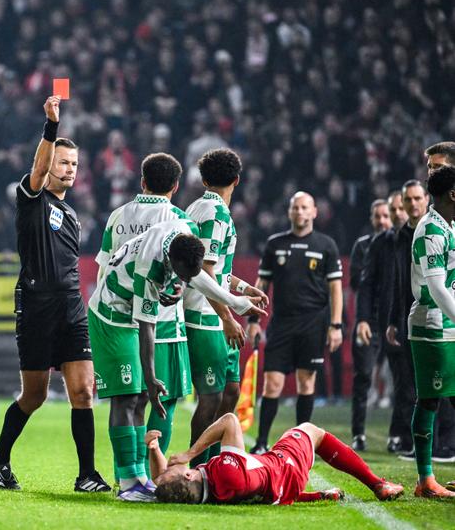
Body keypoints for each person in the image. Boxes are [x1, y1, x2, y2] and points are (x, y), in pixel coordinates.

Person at [88, 222, 266, 501]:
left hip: (130, 317)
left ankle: (139, 478)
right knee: (128, 396)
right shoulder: (150, 267)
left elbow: (197, 276)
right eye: (181, 274)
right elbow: (149, 326)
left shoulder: (183, 238)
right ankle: (127, 484)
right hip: (111, 315)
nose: (183, 280)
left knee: (139, 397)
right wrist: (150, 376)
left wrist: (235, 302)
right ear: (172, 261)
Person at [0, 96, 110, 493]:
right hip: (36, 306)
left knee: (82, 390)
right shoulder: (32, 200)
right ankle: (0, 460)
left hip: (70, 307)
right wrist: (51, 128)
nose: (69, 170)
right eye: (63, 162)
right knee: (35, 395)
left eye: (74, 164)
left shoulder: (72, 215)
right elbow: (38, 169)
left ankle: (86, 475)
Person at [94, 152, 196, 461]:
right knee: (167, 396)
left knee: (131, 399)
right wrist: (179, 290)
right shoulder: (181, 221)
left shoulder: (118, 215)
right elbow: (190, 271)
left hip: (123, 319)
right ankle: (154, 469)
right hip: (164, 324)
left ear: (142, 181)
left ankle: (128, 472)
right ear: (176, 186)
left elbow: (104, 268)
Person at [183, 148, 268, 467]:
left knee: (231, 390)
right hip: (204, 316)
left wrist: (245, 288)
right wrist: (228, 316)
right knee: (211, 397)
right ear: (237, 180)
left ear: (204, 180)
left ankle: (217, 461)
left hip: (212, 312)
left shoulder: (200, 207)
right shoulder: (215, 215)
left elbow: (217, 270)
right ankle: (196, 467)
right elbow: (204, 271)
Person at [247, 192, 343, 454]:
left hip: (313, 323)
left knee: (306, 383)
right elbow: (262, 284)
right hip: (281, 323)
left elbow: (336, 289)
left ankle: (300, 445)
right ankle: (261, 442)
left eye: (304, 207)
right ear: (289, 212)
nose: (299, 212)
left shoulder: (326, 245)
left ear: (314, 212)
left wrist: (335, 326)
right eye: (295, 207)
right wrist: (253, 319)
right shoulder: (275, 244)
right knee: (272, 384)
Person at [146, 412, 404, 504]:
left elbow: (161, 480)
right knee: (311, 430)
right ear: (189, 473)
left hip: (279, 490)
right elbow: (230, 421)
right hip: (285, 467)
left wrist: (154, 449)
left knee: (263, 475)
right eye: (176, 468)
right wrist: (190, 453)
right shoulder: (225, 474)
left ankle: (320, 495)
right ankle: (377, 484)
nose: (172, 465)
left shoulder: (193, 491)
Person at [405, 165, 455, 499]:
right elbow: (437, 288)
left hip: (448, 324)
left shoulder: (449, 226)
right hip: (432, 326)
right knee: (430, 399)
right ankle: (425, 479)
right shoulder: (431, 231)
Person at [348, 198, 396, 451]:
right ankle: (358, 434)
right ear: (371, 218)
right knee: (363, 376)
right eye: (377, 216)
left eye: (385, 216)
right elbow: (357, 283)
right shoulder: (363, 246)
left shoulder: (398, 243)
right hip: (368, 321)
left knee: (402, 379)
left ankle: (398, 436)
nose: (381, 220)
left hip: (395, 320)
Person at [386, 181, 429, 456]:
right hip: (408, 319)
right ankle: (421, 444)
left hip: (436, 316)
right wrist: (393, 320)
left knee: (435, 385)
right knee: (412, 385)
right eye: (407, 201)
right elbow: (399, 283)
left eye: (417, 199)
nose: (412, 205)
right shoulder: (401, 236)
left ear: (426, 199)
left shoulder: (436, 230)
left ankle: (443, 444)